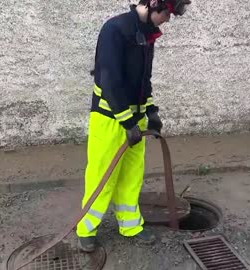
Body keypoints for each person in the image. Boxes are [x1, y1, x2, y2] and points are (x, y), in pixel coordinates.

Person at [76, 0, 192, 252]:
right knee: (102, 178)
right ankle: (86, 229)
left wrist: (151, 111)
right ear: (153, 4)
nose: (168, 20)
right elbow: (108, 80)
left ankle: (130, 225)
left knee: (131, 176)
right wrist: (127, 121)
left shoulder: (146, 35)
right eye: (167, 13)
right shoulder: (115, 30)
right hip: (109, 120)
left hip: (134, 121)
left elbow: (143, 80)